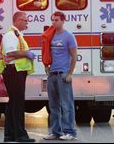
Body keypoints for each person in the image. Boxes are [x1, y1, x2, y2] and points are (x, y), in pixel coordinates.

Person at [0, 11, 36, 142]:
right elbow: (11, 53)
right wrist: (26, 54)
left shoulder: (17, 35)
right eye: (25, 20)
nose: (27, 23)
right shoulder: (10, 35)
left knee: (13, 103)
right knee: (18, 103)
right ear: (18, 20)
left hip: (16, 71)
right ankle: (20, 134)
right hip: (14, 71)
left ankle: (10, 134)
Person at [42, 11, 78, 141]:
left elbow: (74, 56)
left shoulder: (68, 36)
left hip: (63, 74)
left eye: (57, 20)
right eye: (53, 20)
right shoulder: (50, 35)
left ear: (63, 21)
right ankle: (55, 131)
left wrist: (70, 73)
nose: (54, 22)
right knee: (53, 105)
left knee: (66, 105)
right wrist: (46, 65)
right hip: (52, 74)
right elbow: (47, 51)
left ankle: (70, 132)